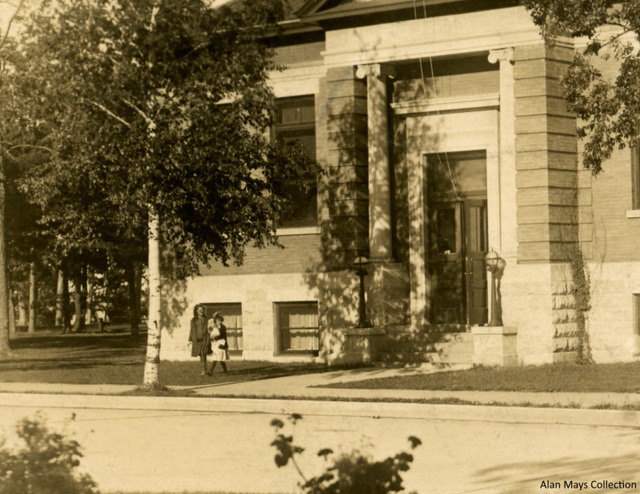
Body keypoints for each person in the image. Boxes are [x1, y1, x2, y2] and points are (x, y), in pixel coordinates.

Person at [189, 305, 211, 375]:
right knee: (200, 354)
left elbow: (210, 329)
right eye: (199, 310)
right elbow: (192, 330)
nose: (201, 311)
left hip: (205, 338)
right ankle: (203, 368)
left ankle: (204, 370)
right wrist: (190, 338)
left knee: (203, 353)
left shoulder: (206, 319)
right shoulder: (193, 320)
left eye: (202, 310)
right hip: (197, 340)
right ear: (196, 311)